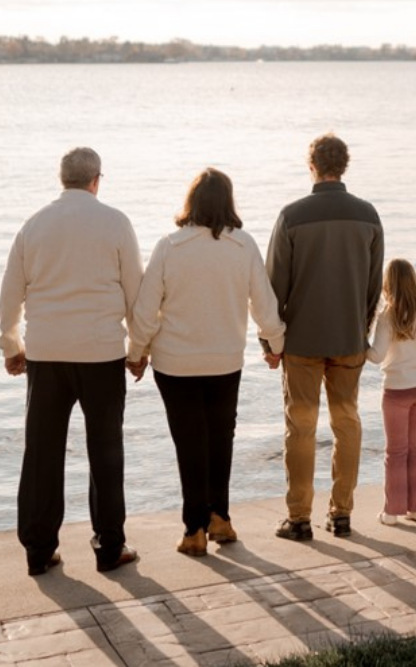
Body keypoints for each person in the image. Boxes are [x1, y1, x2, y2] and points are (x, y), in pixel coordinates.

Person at [126, 168, 285, 557]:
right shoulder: (242, 245)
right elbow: (264, 304)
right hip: (225, 360)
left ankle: (194, 528)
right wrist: (274, 343)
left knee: (189, 444)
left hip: (175, 364)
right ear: (227, 202)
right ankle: (220, 518)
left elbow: (146, 311)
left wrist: (137, 352)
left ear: (191, 202)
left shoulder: (169, 246)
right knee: (220, 438)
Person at [0, 147, 142, 575]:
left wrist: (11, 345)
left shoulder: (34, 225)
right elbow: (136, 292)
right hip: (101, 353)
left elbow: (10, 295)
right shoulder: (116, 223)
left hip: (46, 354)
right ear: (97, 179)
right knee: (106, 450)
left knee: (41, 453)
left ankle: (39, 551)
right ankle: (109, 547)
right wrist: (138, 351)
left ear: (62, 179)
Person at [266, 133, 384, 541]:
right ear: (344, 166)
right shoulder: (368, 215)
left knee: (300, 427)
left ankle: (299, 518)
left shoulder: (291, 216)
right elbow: (374, 286)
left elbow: (273, 288)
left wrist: (270, 342)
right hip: (348, 338)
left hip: (301, 342)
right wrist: (361, 327)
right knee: (347, 421)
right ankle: (342, 514)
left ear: (311, 165)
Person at [366, 259, 416, 526]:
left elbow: (376, 356)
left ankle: (392, 511)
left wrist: (360, 343)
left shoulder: (387, 316)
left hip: (396, 391)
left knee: (396, 452)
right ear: (414, 281)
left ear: (388, 285)